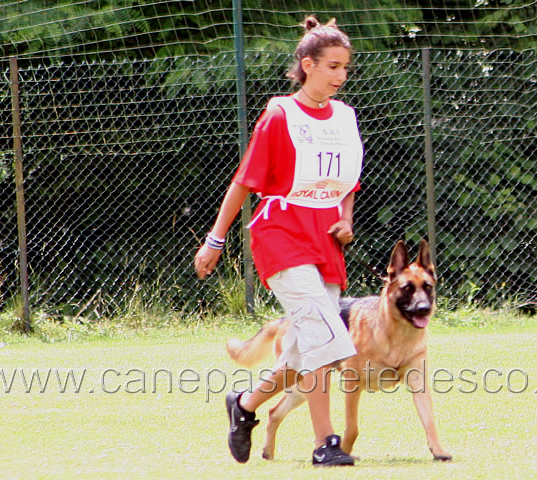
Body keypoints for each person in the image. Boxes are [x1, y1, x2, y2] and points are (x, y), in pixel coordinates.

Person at [194, 15, 363, 467]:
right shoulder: (279, 114)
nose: (340, 75)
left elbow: (347, 186)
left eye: (345, 66)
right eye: (331, 66)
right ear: (307, 64)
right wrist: (215, 239)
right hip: (281, 233)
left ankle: (244, 405)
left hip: (324, 239)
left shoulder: (345, 117)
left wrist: (345, 220)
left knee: (300, 350)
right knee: (327, 337)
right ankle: (326, 443)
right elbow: (244, 182)